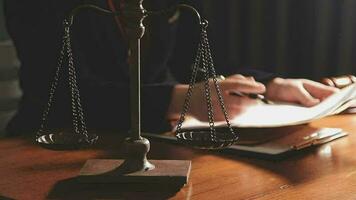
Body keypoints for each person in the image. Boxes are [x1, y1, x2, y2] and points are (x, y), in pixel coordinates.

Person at [4, 0, 338, 135]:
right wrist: (178, 99)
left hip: (158, 141)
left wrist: (273, 85)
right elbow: (64, 96)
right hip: (50, 145)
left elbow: (203, 57)